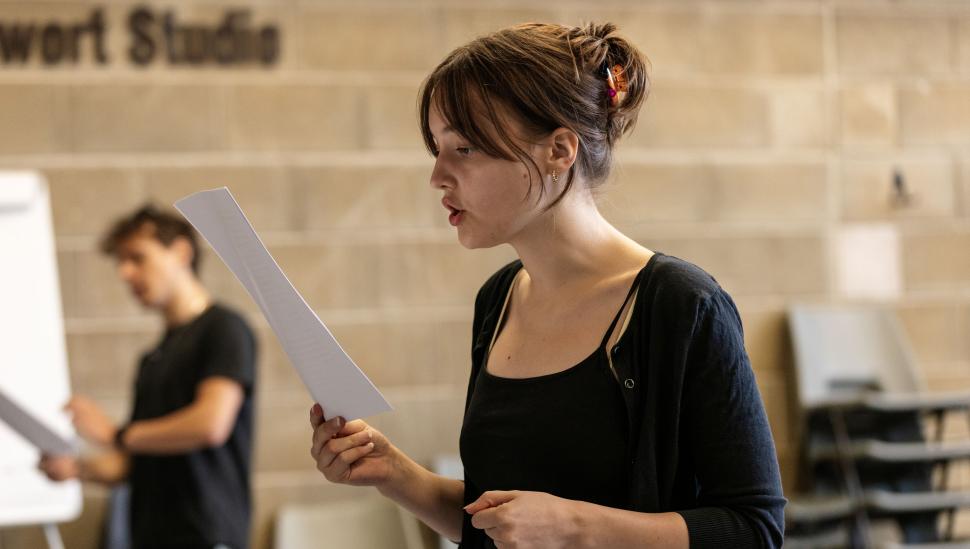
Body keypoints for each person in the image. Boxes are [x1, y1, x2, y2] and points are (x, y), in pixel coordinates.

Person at [309, 22, 785, 548]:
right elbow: (501, 527)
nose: (438, 176)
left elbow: (755, 530)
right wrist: (394, 474)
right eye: (437, 150)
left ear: (559, 150)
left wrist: (576, 527)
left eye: (464, 148)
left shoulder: (681, 304)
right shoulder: (499, 298)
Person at [40, 205, 257, 549]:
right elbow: (136, 464)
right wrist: (76, 469)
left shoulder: (224, 328)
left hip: (205, 535)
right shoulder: (152, 359)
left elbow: (211, 424)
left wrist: (115, 433)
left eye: (137, 258)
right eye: (121, 263)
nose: (125, 273)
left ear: (182, 252)